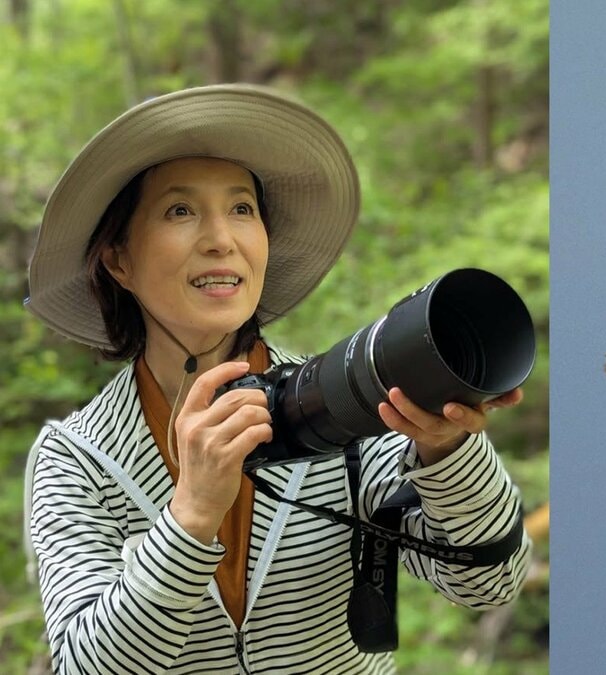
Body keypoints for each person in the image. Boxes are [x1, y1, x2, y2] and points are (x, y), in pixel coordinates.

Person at [23, 84, 531, 673]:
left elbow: (488, 585)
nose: (222, 239)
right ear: (118, 260)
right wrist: (190, 515)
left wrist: (450, 452)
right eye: (180, 210)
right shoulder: (78, 458)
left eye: (242, 209)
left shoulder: (351, 403)